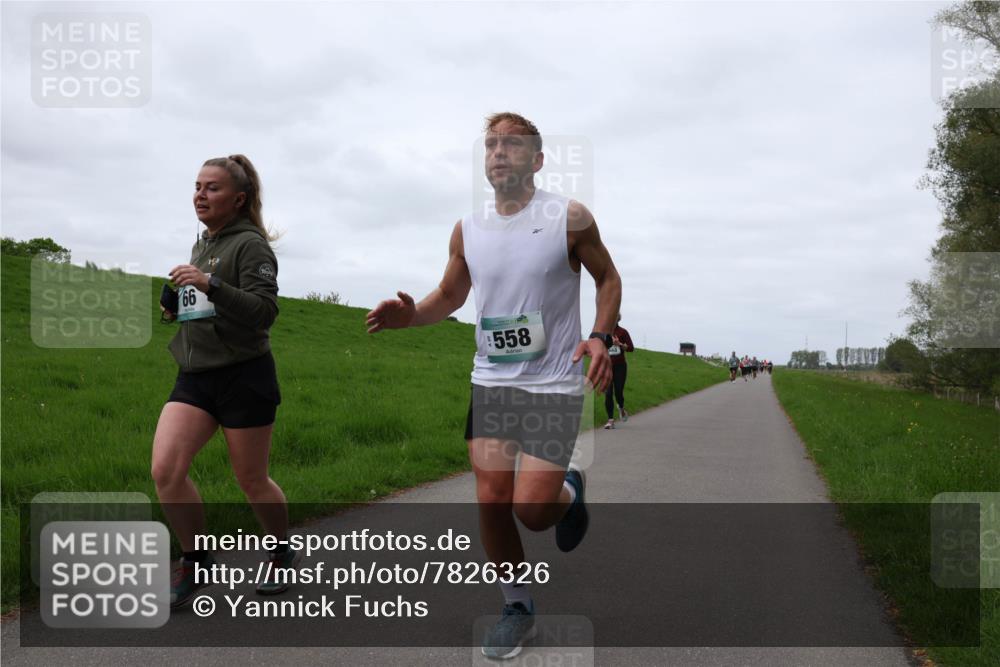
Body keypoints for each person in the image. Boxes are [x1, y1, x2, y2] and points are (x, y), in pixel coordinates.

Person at [366, 112, 621, 659]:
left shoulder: (568, 218)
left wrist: (600, 335)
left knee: (532, 510)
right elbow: (449, 296)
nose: (498, 153)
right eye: (490, 145)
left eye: (512, 145)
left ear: (538, 159)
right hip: (492, 383)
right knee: (491, 500)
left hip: (552, 384)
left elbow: (608, 278)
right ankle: (518, 607)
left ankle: (570, 491)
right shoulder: (467, 229)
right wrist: (408, 315)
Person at [154, 154, 298, 608]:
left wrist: (210, 284)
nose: (200, 194)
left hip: (244, 376)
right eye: (197, 186)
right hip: (195, 375)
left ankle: (280, 552)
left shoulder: (251, 246)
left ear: (238, 198)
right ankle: (195, 560)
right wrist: (179, 305)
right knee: (166, 471)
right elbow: (208, 305)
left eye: (212, 188)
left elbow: (264, 313)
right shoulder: (204, 243)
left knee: (252, 479)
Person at [603, 314, 635, 429]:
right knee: (608, 393)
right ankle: (610, 420)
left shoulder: (623, 332)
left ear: (618, 319)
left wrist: (619, 344)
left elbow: (631, 348)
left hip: (620, 367)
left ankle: (621, 408)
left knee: (618, 391)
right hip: (606, 366)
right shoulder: (603, 333)